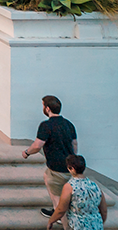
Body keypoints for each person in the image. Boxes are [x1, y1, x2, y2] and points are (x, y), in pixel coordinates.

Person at [22, 94, 78, 223]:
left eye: (43, 105)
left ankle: (64, 228)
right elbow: (74, 143)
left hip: (57, 167)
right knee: (48, 177)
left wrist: (26, 152)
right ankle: (56, 210)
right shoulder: (69, 124)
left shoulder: (46, 125)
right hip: (68, 166)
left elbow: (37, 145)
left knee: (57, 198)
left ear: (47, 109)